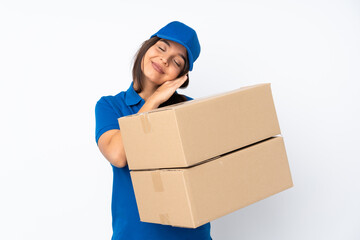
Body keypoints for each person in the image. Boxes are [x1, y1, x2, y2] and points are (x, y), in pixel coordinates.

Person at [95, 21, 212, 240]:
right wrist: (154, 101)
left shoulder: (190, 110)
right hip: (134, 235)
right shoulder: (110, 106)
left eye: (177, 61)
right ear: (147, 47)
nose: (164, 60)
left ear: (181, 76)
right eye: (161, 47)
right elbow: (118, 156)